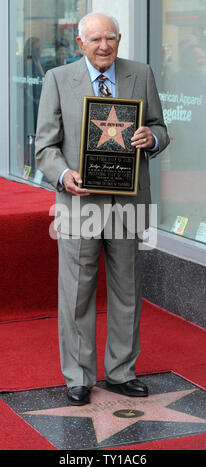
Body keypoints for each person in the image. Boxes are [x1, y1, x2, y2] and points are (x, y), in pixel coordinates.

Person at [35, 12, 169, 406]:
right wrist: (63, 176)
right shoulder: (58, 80)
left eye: (110, 37)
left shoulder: (140, 73)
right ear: (80, 44)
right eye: (95, 39)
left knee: (127, 290)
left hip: (129, 203)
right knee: (76, 293)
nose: (104, 45)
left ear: (120, 38)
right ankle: (78, 375)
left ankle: (122, 372)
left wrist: (152, 138)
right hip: (79, 205)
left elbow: (161, 128)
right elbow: (44, 147)